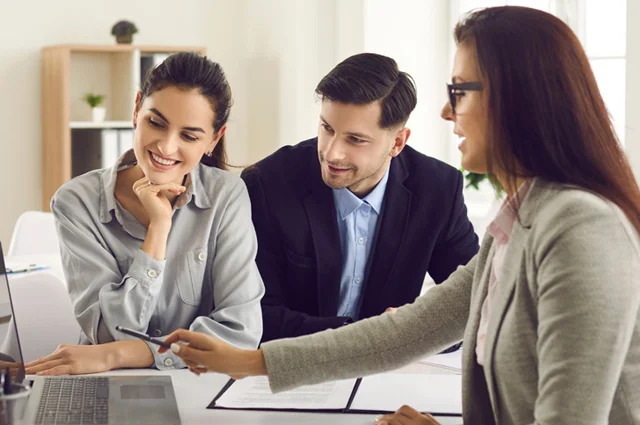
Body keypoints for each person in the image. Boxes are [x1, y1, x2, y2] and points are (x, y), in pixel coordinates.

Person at [159, 6, 640, 425]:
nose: (445, 112)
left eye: (460, 91)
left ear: (516, 100)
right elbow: (413, 328)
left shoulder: (581, 228)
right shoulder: (520, 215)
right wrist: (248, 363)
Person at [25, 52, 264, 376]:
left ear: (213, 139)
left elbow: (240, 335)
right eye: (156, 123)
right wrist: (159, 229)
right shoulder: (76, 201)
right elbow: (107, 333)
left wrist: (118, 354)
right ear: (137, 108)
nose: (166, 147)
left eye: (189, 136)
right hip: (106, 383)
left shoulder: (227, 196)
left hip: (198, 385)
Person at [242, 52, 479, 343]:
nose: (331, 152)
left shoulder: (438, 189)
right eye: (327, 128)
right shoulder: (268, 183)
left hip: (390, 375)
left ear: (397, 142)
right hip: (292, 369)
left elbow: (475, 305)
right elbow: (253, 315)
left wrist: (415, 328)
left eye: (355, 139)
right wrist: (372, 337)